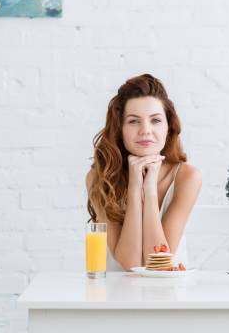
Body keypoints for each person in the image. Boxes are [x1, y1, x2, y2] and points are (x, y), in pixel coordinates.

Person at [85, 74, 201, 271]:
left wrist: (149, 189)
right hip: (115, 295)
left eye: (155, 120)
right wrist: (134, 185)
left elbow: (158, 261)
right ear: (119, 128)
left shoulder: (187, 177)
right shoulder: (99, 177)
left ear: (168, 127)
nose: (145, 130)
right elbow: (130, 263)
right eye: (133, 121)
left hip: (170, 295)